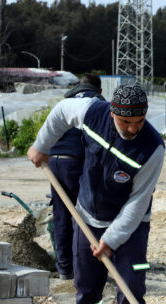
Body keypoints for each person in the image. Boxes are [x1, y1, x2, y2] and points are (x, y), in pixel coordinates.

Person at [27, 84, 164, 304]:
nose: (132, 129)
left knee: (130, 293)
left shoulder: (152, 148)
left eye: (139, 122)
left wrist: (112, 239)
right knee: (86, 288)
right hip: (87, 216)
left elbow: (138, 202)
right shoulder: (92, 111)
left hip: (129, 228)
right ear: (113, 112)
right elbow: (61, 112)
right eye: (126, 122)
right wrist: (41, 144)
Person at [50, 74, 106, 281]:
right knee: (83, 215)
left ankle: (64, 269)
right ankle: (82, 268)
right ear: (99, 90)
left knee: (61, 215)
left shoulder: (66, 101)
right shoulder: (98, 104)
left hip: (54, 160)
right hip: (77, 161)